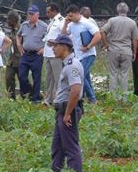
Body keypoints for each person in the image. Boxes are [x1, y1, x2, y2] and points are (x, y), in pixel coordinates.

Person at [50, 35, 84, 172]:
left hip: (67, 110)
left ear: (64, 47)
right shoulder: (68, 65)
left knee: (70, 146)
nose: (53, 49)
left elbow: (75, 91)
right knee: (57, 146)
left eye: (55, 46)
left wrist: (67, 114)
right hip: (62, 110)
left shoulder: (72, 66)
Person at [60, 5, 100, 103]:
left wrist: (88, 46)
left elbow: (98, 35)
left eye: (71, 16)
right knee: (85, 77)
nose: (70, 18)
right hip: (78, 55)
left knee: (79, 75)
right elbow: (63, 34)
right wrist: (65, 23)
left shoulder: (87, 23)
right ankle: (89, 98)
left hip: (88, 54)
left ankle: (92, 98)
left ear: (77, 13)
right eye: (68, 16)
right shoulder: (71, 25)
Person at [100, 2, 138, 98]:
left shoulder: (112, 20)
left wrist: (106, 44)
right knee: (124, 75)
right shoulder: (132, 22)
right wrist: (134, 52)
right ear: (127, 10)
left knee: (113, 74)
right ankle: (124, 98)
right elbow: (135, 39)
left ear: (117, 10)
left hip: (113, 50)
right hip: (126, 51)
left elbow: (102, 31)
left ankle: (113, 98)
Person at [17, 5, 49, 102]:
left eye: (32, 14)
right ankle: (26, 94)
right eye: (29, 14)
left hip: (37, 55)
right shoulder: (24, 25)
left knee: (36, 77)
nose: (30, 16)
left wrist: (44, 48)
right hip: (25, 54)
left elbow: (50, 39)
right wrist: (19, 45)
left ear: (37, 15)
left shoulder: (44, 26)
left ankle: (35, 98)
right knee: (21, 75)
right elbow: (18, 36)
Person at [43, 3, 65, 105]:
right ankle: (48, 99)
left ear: (54, 11)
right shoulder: (52, 21)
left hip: (55, 53)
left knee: (58, 77)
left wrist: (55, 43)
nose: (47, 14)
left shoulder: (61, 20)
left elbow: (64, 35)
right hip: (47, 52)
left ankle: (59, 98)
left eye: (49, 12)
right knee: (48, 77)